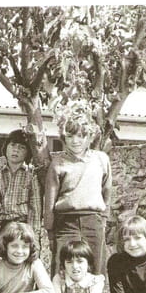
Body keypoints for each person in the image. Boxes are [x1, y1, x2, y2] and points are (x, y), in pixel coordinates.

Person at [44, 101, 111, 275]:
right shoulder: (57, 163)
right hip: (66, 222)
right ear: (63, 138)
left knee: (95, 269)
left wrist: (103, 219)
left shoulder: (101, 159)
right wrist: (50, 231)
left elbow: (107, 192)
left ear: (90, 137)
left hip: (93, 221)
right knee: (62, 268)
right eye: (70, 136)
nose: (75, 141)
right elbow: (49, 201)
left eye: (81, 136)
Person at [0, 128, 43, 258]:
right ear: (6, 148)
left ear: (28, 152)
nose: (15, 150)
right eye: (12, 145)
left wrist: (34, 239)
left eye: (21, 147)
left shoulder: (32, 175)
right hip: (4, 227)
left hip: (25, 226)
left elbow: (35, 211)